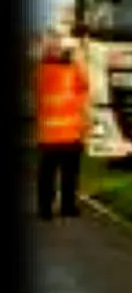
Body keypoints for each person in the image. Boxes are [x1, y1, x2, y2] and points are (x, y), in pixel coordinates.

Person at [35, 37, 90, 220]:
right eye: (57, 49)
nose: (59, 51)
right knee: (69, 175)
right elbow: (84, 86)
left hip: (49, 135)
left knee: (47, 176)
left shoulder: (39, 71)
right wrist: (78, 58)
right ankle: (67, 206)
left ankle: (46, 209)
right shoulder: (71, 70)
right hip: (69, 134)